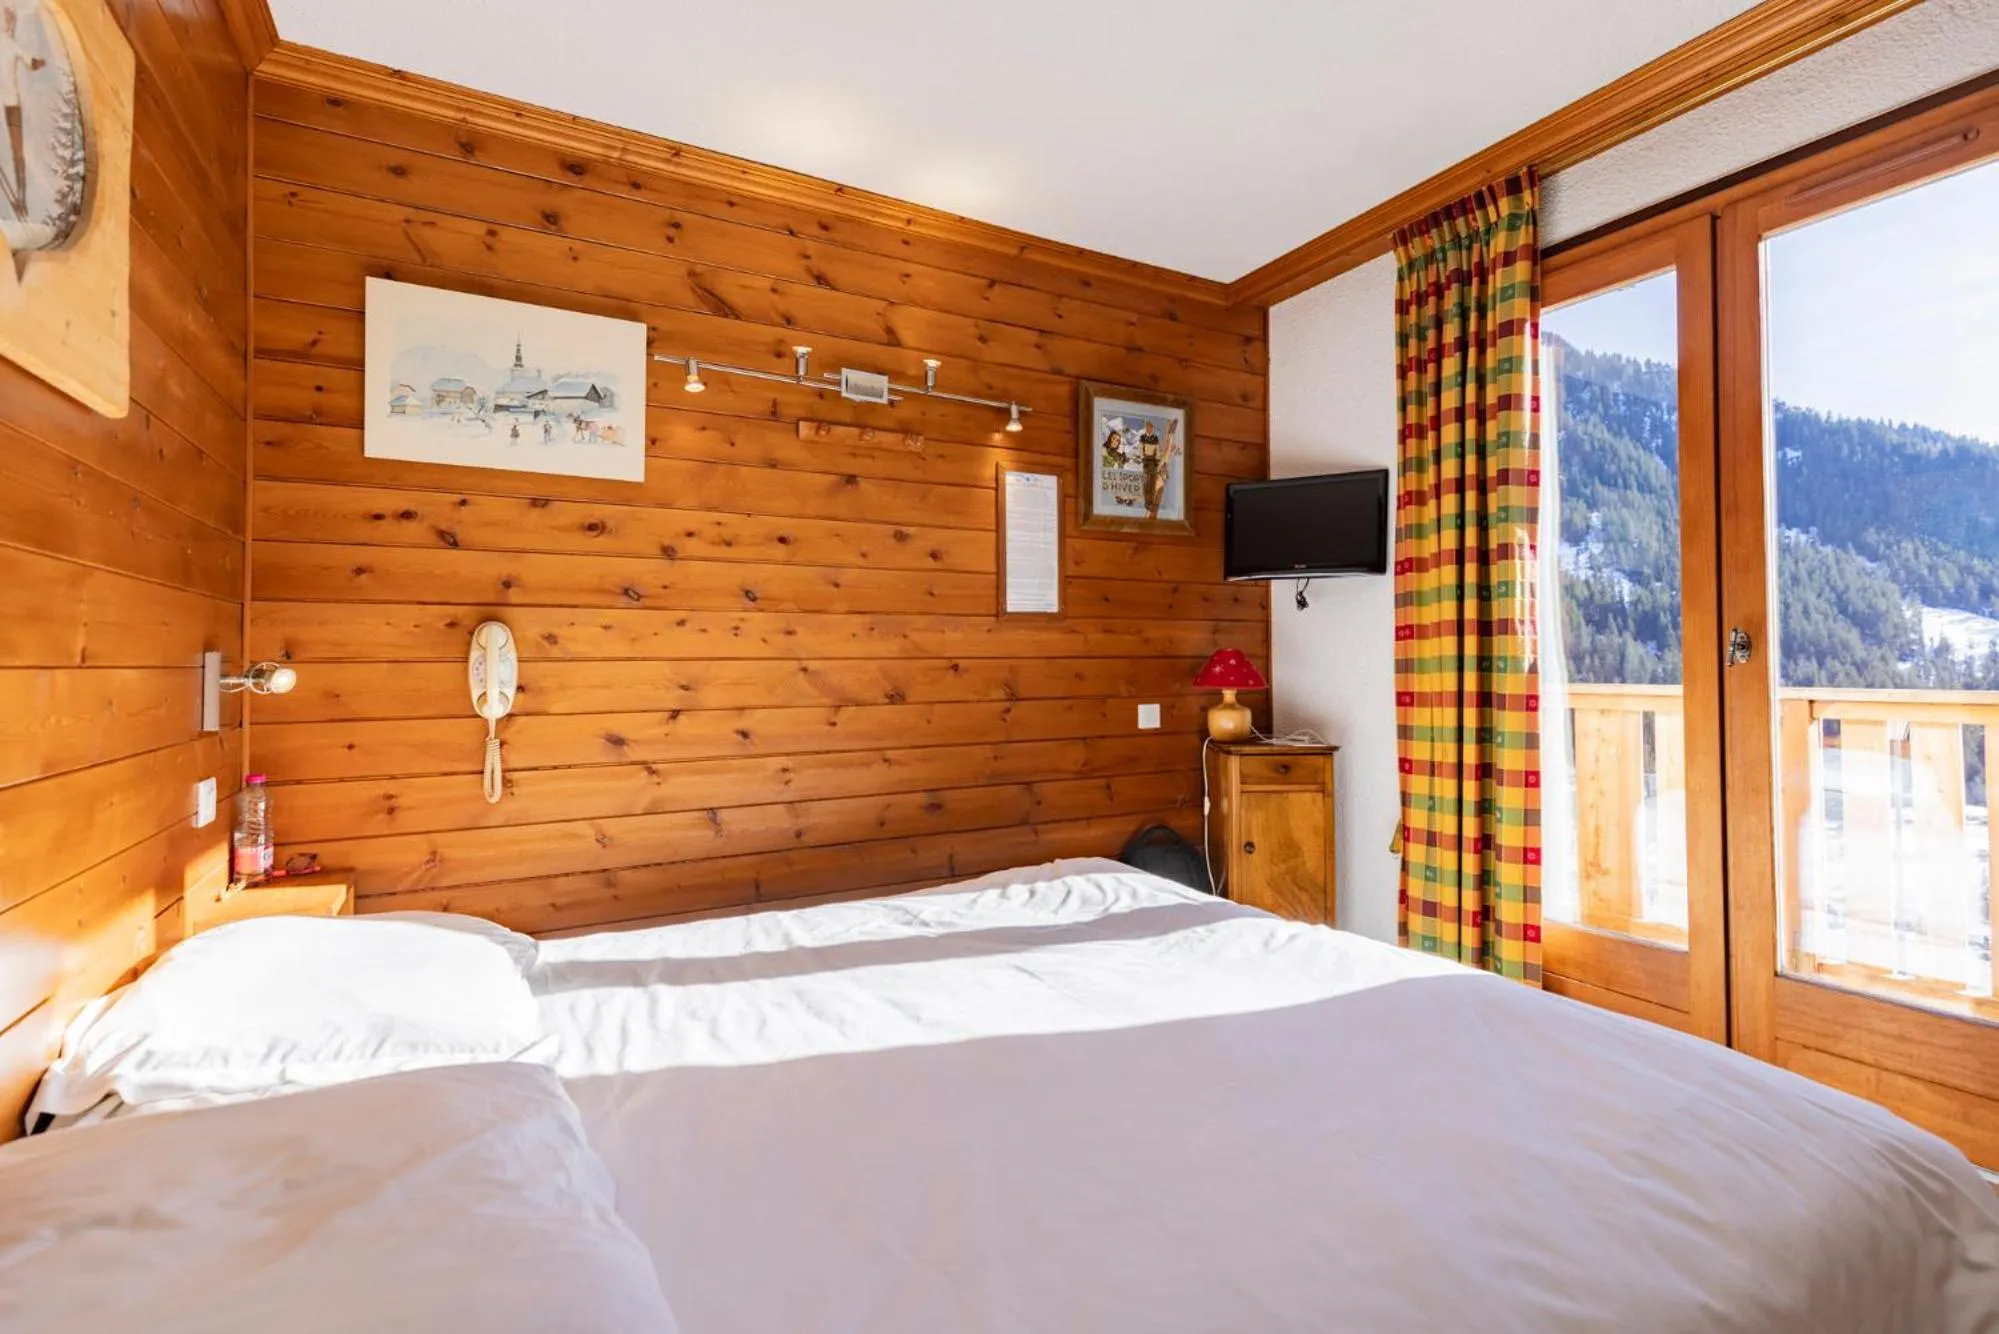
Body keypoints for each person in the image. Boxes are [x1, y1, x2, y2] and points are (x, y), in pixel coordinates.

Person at [1, 5, 48, 224]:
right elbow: (32, 63)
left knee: (18, 152)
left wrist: (43, 62)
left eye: (10, 22)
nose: (9, 25)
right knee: (16, 152)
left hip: (11, 104)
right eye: (7, 21)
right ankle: (21, 199)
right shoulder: (9, 45)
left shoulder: (12, 45)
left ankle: (22, 198)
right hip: (9, 103)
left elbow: (31, 63)